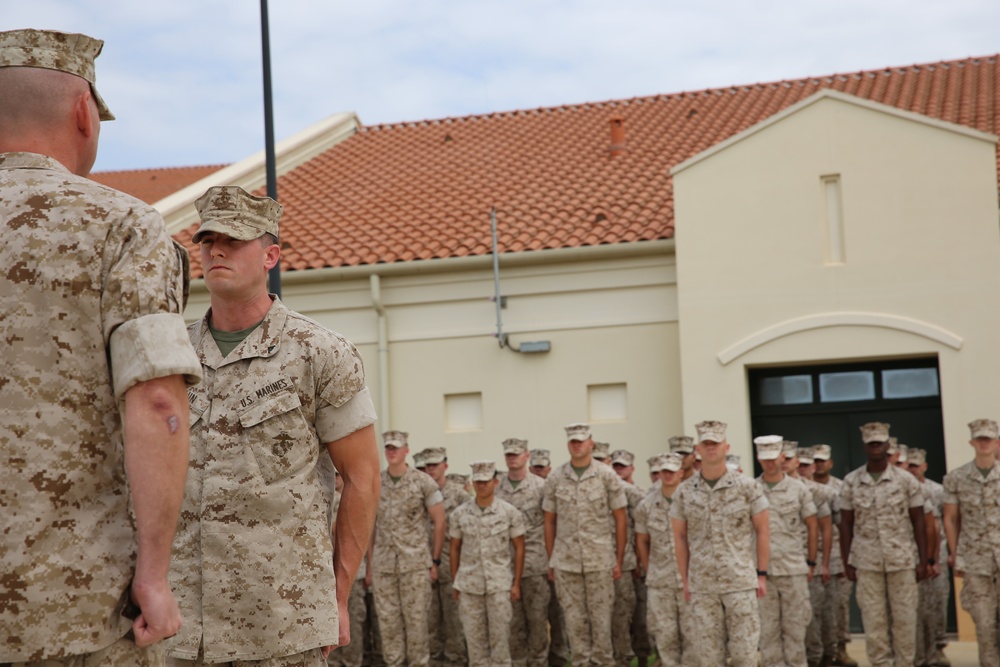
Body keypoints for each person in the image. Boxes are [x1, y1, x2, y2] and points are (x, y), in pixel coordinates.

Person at [0, 28, 203, 665]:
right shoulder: (121, 226)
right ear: (83, 113)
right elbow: (156, 406)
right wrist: (154, 576)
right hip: (73, 613)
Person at [166, 186, 379, 666]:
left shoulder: (319, 352)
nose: (216, 249)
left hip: (283, 622)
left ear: (271, 256)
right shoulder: (170, 356)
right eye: (207, 239)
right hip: (182, 627)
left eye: (234, 240)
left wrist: (337, 596)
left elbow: (363, 479)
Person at [671, 420, 769, 667]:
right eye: (706, 444)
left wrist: (762, 575)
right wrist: (685, 580)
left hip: (739, 582)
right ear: (698, 449)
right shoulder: (684, 492)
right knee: (709, 656)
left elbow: (763, 530)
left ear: (726, 447)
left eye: (715, 443)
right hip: (702, 585)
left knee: (744, 654)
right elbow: (680, 537)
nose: (711, 448)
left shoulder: (747, 487)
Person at [840, 422, 928, 667]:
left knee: (905, 619)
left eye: (880, 443)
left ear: (888, 445)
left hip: (902, 560)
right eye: (871, 444)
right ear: (865, 446)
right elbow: (846, 524)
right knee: (873, 620)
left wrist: (923, 560)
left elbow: (919, 520)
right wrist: (847, 560)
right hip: (867, 562)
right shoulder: (851, 481)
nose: (876, 448)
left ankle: (905, 663)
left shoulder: (906, 480)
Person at [543, 423, 628, 667]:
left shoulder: (606, 475)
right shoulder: (556, 477)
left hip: (599, 561)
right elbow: (549, 521)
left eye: (581, 440)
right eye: (573, 441)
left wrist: (618, 560)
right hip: (566, 563)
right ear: (568, 444)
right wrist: (552, 559)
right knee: (573, 622)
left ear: (591, 442)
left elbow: (620, 518)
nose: (577, 444)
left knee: (601, 622)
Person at [368, 431, 446, 667]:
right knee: (388, 624)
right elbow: (370, 526)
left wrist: (435, 560)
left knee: (417, 623)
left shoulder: (423, 482)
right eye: (388, 448)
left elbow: (440, 520)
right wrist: (371, 565)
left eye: (396, 447)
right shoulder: (376, 483)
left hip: (415, 566)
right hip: (384, 566)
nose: (391, 451)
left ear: (406, 451)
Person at [451, 461, 527, 667]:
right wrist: (456, 581)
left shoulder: (509, 513)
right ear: (472, 483)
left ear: (495, 482)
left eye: (486, 481)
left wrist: (516, 583)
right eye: (477, 482)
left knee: (500, 642)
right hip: (469, 585)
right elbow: (455, 548)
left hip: (499, 586)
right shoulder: (459, 514)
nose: (481, 486)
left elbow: (519, 547)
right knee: (475, 645)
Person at [754, 436, 818, 667]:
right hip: (763, 573)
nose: (770, 464)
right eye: (765, 459)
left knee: (795, 631)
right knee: (768, 633)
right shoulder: (751, 489)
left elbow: (812, 526)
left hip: (793, 570)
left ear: (782, 457)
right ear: (759, 459)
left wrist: (811, 562)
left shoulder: (798, 489)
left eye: (774, 458)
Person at [943, 419, 1000, 667]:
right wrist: (955, 555)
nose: (984, 443)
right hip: (976, 561)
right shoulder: (956, 477)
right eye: (980, 439)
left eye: (988, 439)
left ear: (997, 442)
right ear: (972, 442)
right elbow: (951, 518)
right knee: (984, 622)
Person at [634, 453, 695, 667]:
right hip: (660, 581)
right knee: (665, 637)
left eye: (672, 471)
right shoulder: (646, 505)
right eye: (664, 471)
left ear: (681, 473)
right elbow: (641, 540)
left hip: (690, 580)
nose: (667, 475)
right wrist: (649, 569)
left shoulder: (693, 501)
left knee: (692, 637)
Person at [497, 438, 551, 667]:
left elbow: (551, 523)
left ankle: (539, 663)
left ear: (527, 456)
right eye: (508, 454)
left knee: (538, 623)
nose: (512, 458)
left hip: (535, 565)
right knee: (513, 625)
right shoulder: (497, 489)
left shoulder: (541, 487)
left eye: (516, 454)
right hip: (505, 568)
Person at [421, 447, 469, 667]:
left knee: (453, 619)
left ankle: (456, 661)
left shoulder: (459, 495)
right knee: (429, 619)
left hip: (452, 564)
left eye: (435, 465)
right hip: (424, 563)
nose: (431, 469)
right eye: (428, 465)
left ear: (445, 466)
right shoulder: (420, 491)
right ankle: (435, 661)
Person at [812, 446, 857, 667]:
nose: (818, 464)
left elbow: (847, 525)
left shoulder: (840, 488)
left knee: (839, 607)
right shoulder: (803, 489)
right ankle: (817, 651)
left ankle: (840, 648)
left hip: (837, 557)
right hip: (811, 557)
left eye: (822, 461)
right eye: (815, 461)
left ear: (830, 463)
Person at [907, 447, 951, 667]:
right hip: (914, 555)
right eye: (910, 465)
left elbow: (944, 522)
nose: (913, 469)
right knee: (919, 606)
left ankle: (938, 646)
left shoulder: (937, 490)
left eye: (916, 465)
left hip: (938, 554)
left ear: (924, 466)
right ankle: (921, 651)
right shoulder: (906, 489)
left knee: (937, 604)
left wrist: (943, 555)